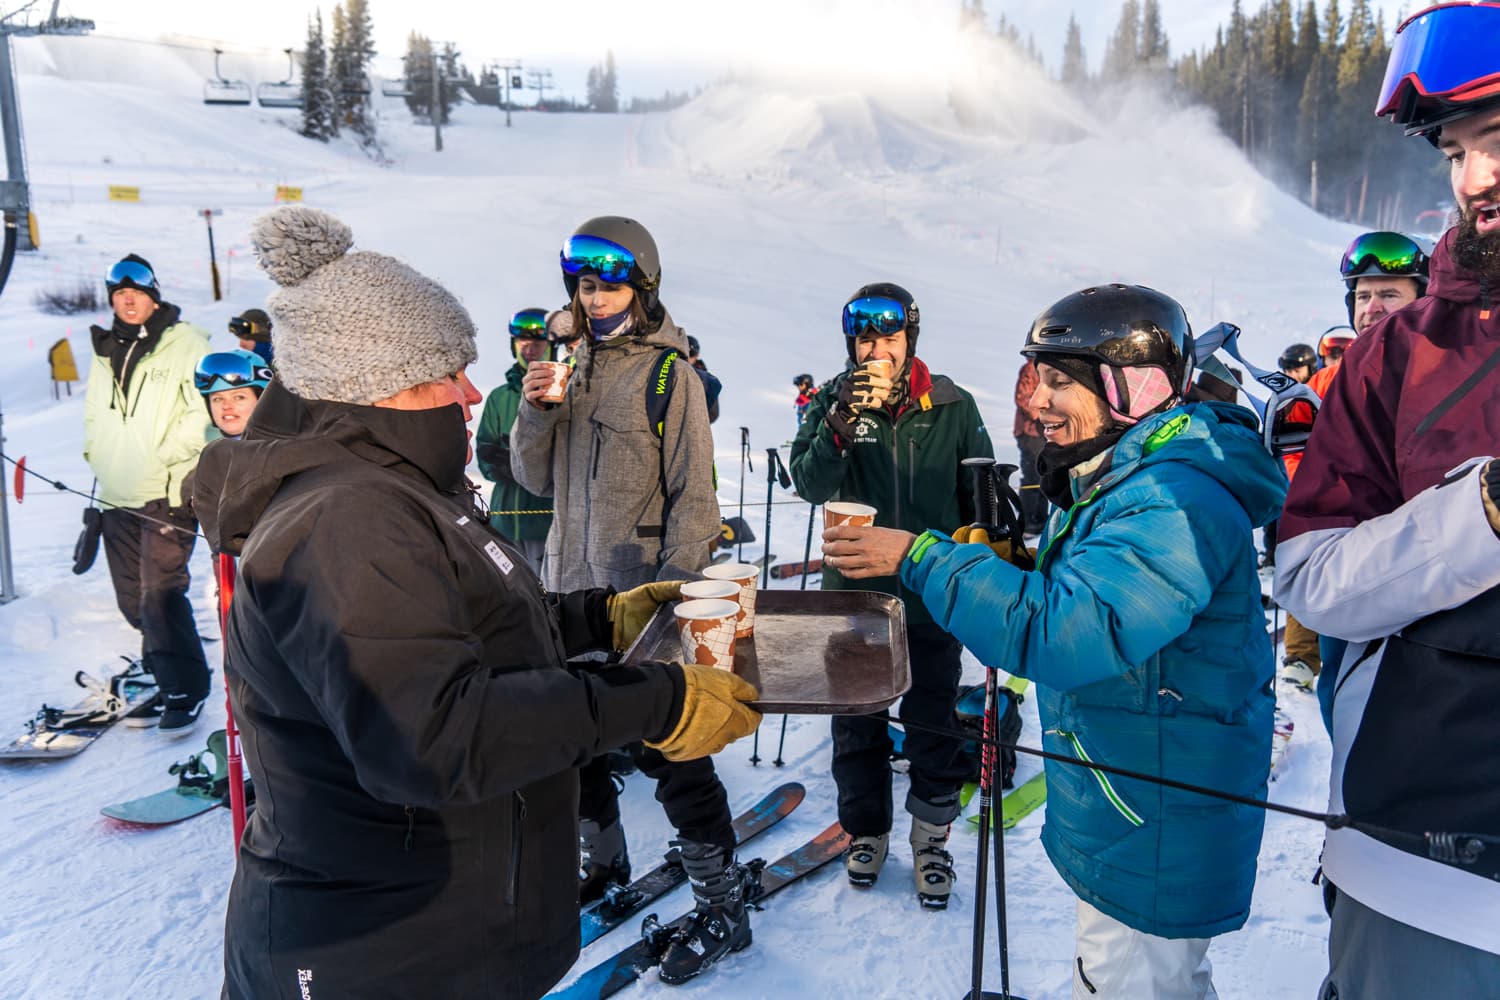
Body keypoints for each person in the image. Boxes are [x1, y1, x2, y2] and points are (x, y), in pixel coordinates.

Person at [192, 205, 760, 1000]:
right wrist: (656, 701)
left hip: (436, 931)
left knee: (668, 771)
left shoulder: (397, 491)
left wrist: (599, 618)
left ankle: (707, 881)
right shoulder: (348, 520)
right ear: (378, 386)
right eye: (443, 368)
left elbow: (463, 633)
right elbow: (437, 736)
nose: (466, 387)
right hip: (378, 951)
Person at [826, 284, 1284, 999]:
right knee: (1122, 975)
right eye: (1037, 377)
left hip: (1155, 810)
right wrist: (1011, 568)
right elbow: (1096, 596)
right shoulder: (1135, 472)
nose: (1038, 402)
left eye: (1060, 381)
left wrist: (919, 557)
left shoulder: (1173, 495)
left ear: (1136, 387)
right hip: (1135, 791)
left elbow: (1064, 630)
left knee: (1132, 983)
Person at [1275, 7, 1500, 995]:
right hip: (1430, 872)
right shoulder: (1400, 361)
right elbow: (1310, 574)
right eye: (1458, 151)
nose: (1472, 179)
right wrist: (1482, 514)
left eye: (1498, 143)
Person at [511, 216, 744, 984]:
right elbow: (533, 479)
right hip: (568, 595)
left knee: (674, 755)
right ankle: (604, 864)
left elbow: (696, 499)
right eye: (585, 284)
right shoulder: (566, 367)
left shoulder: (667, 377)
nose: (596, 296)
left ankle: (721, 901)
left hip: (641, 602)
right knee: (575, 745)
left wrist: (675, 606)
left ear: (641, 290)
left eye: (611, 284)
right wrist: (534, 407)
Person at [789, 281, 993, 910]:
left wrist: (980, 560)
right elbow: (808, 482)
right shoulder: (832, 400)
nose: (875, 349)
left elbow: (978, 497)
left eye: (889, 336)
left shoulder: (952, 404)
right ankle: (866, 832)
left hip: (930, 594)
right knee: (857, 725)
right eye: (864, 338)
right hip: (854, 596)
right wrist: (840, 424)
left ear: (910, 339)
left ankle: (932, 838)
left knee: (933, 720)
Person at [1282, 237, 1428, 694]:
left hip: (1420, 565)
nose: (1372, 307)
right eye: (1363, 295)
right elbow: (1295, 451)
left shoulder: (1441, 374)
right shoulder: (1328, 380)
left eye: (1389, 294)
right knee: (1342, 698)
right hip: (1343, 560)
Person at [84, 254, 213, 736]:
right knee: (132, 597)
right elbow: (94, 413)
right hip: (115, 492)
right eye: (119, 295)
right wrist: (95, 452)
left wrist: (163, 456)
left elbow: (201, 412)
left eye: (136, 292)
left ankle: (186, 687)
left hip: (165, 489)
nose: (128, 300)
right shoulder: (103, 349)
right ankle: (161, 665)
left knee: (161, 593)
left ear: (153, 293)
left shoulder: (186, 342)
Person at [474, 308, 554, 572]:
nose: (530, 349)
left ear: (551, 346)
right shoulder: (500, 397)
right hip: (505, 520)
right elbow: (484, 454)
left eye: (539, 343)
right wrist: (500, 465)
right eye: (523, 342)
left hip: (546, 522)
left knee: (546, 598)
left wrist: (530, 463)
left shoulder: (563, 394)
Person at [195, 348, 272, 440]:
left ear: (264, 401)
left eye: (239, 397)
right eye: (217, 399)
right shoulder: (210, 451)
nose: (226, 406)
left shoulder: (286, 449)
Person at [1013, 358, 1048, 535]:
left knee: (1044, 475)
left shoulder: (1048, 368)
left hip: (1043, 434)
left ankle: (1041, 520)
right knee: (1032, 477)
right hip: (1029, 433)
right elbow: (1023, 398)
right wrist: (1043, 413)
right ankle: (1026, 521)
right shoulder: (1030, 369)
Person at [685, 333, 723, 423]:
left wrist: (695, 423)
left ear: (697, 355)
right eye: (683, 353)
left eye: (691, 354)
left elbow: (713, 413)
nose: (686, 358)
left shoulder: (707, 380)